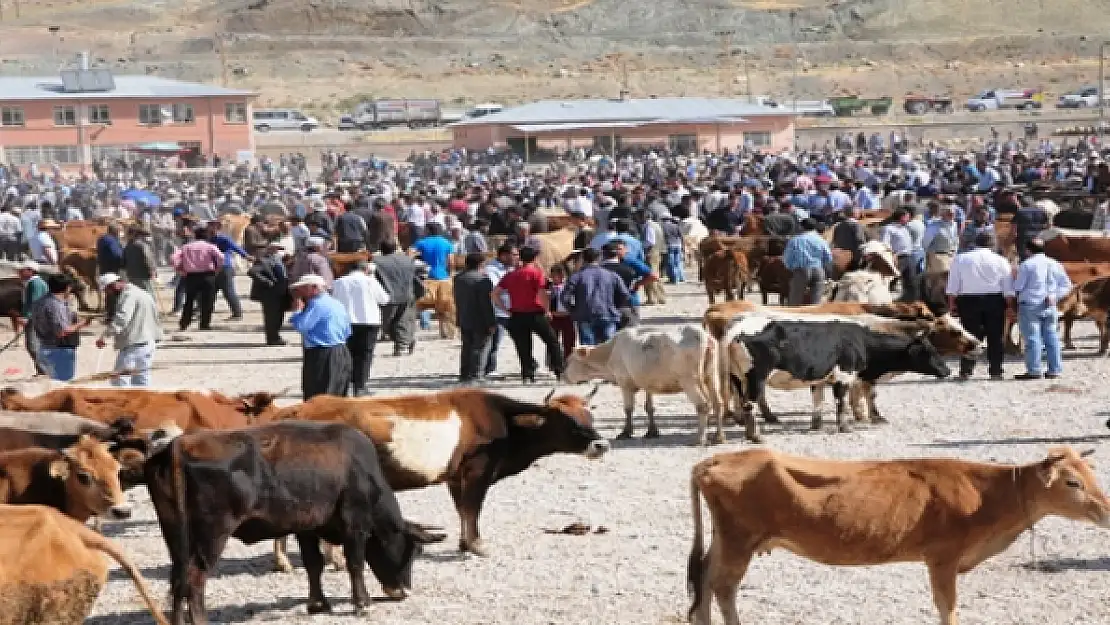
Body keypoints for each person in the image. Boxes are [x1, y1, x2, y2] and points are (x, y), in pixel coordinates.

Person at [945, 231, 1013, 381]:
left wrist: (952, 304)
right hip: (994, 300)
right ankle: (996, 370)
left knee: (970, 335)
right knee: (995, 337)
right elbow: (1008, 287)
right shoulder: (1001, 260)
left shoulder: (961, 259)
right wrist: (1009, 306)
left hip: (968, 301)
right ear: (992, 244)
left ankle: (966, 370)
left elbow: (952, 286)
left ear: (975, 243)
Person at [493, 245, 563, 383]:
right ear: (535, 258)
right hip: (535, 313)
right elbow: (542, 293)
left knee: (523, 345)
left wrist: (505, 309)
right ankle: (559, 370)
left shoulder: (511, 274)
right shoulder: (536, 273)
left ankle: (527, 374)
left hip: (517, 314)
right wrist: (547, 310)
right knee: (552, 342)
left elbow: (495, 293)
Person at [1011, 239, 1072, 380]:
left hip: (1030, 304)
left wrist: (1014, 277)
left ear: (1028, 250)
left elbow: (1018, 287)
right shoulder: (1055, 263)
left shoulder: (1026, 265)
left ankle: (1034, 370)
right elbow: (1066, 285)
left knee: (1032, 339)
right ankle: (1054, 369)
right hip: (1050, 304)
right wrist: (1055, 296)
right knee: (1052, 338)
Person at [288, 273, 352, 399]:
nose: (299, 292)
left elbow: (302, 326)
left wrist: (296, 312)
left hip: (322, 353)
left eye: (303, 288)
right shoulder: (336, 303)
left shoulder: (316, 304)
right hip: (341, 350)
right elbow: (347, 330)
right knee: (337, 393)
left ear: (314, 287)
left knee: (318, 395)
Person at [332, 260, 390, 396]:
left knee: (347, 354)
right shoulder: (370, 281)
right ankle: (360, 385)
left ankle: (345, 385)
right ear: (365, 270)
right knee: (365, 354)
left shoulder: (340, 282)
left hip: (345, 321)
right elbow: (384, 299)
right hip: (369, 321)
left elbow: (333, 300)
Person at [95, 273, 162, 387]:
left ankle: (123, 403)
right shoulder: (142, 293)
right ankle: (142, 403)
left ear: (114, 285)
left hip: (135, 343)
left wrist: (105, 336)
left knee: (119, 378)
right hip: (149, 341)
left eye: (107, 290)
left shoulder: (128, 296)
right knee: (141, 378)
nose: (108, 294)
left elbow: (122, 319)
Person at [561, 246, 630, 346]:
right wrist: (615, 306)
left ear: (583, 259)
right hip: (608, 314)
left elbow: (565, 297)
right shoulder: (611, 275)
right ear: (599, 258)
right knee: (608, 348)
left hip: (585, 316)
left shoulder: (577, 276)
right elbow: (625, 294)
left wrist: (573, 310)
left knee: (588, 350)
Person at [31, 273, 90, 381]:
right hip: (59, 351)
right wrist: (82, 324)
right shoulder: (55, 305)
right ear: (67, 288)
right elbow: (62, 331)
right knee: (62, 385)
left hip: (44, 347)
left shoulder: (40, 302)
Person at [453, 253, 497, 384]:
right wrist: (491, 321)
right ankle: (476, 375)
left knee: (466, 347)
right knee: (481, 347)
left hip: (464, 317)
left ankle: (464, 374)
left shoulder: (458, 278)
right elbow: (486, 304)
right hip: (480, 319)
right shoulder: (483, 280)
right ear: (481, 264)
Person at [172, 226, 224, 332]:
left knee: (189, 300)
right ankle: (204, 324)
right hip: (208, 275)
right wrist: (218, 268)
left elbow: (173, 257)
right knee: (208, 301)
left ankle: (184, 323)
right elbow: (221, 257)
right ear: (206, 236)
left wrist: (179, 269)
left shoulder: (186, 247)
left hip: (191, 276)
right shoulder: (210, 246)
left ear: (195, 235)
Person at [373, 239, 418, 356]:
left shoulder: (376, 262)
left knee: (386, 323)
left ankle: (402, 343)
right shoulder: (407, 260)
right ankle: (404, 343)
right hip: (407, 294)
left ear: (381, 249)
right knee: (402, 320)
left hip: (388, 296)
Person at [482, 243, 517, 378]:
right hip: (498, 311)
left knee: (520, 339)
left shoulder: (512, 268)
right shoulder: (492, 269)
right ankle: (490, 368)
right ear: (503, 255)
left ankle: (531, 365)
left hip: (512, 310)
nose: (517, 257)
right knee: (495, 342)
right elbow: (495, 289)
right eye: (514, 254)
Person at [248, 242, 292, 346]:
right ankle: (272, 338)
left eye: (280, 249)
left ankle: (276, 336)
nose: (278, 251)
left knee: (279, 316)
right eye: (276, 249)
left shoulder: (280, 260)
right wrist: (267, 281)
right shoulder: (263, 260)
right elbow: (252, 272)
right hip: (270, 293)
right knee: (272, 317)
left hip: (281, 291)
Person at [783, 218, 833, 306]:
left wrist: (790, 268)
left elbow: (787, 257)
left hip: (802, 270)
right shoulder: (821, 240)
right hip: (818, 270)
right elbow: (828, 257)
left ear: (801, 227)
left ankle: (793, 318)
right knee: (816, 302)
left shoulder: (795, 240)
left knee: (795, 300)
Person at [208, 221, 250, 320]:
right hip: (213, 269)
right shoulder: (209, 240)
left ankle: (237, 314)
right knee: (210, 292)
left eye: (212, 226)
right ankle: (205, 312)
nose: (209, 228)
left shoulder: (223, 238)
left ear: (217, 228)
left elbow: (235, 247)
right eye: (209, 226)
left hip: (224, 268)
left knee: (228, 292)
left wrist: (246, 256)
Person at [15, 260, 48, 376]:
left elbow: (35, 302)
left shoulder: (35, 284)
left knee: (32, 345)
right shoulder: (33, 283)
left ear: (30, 271)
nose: (19, 272)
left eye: (22, 270)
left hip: (35, 318)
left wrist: (27, 317)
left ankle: (44, 371)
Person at [881, 208, 918, 302]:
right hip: (897, 258)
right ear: (901, 217)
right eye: (907, 217)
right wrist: (892, 254)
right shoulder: (889, 228)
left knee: (911, 281)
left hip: (909, 257)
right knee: (891, 280)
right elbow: (885, 243)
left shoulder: (905, 228)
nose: (908, 219)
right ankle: (884, 300)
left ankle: (909, 301)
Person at [547, 264, 576, 360]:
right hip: (553, 316)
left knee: (569, 341)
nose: (557, 278)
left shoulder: (569, 286)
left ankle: (568, 359)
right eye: (554, 275)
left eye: (560, 275)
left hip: (567, 316)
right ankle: (554, 361)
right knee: (552, 340)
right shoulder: (549, 287)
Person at [122, 225, 158, 298]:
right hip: (143, 276)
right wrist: (152, 271)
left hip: (131, 275)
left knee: (136, 295)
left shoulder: (127, 247)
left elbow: (123, 262)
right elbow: (148, 259)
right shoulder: (142, 246)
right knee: (149, 295)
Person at [922, 205, 958, 273]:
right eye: (949, 213)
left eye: (953, 214)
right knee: (942, 279)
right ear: (942, 214)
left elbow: (955, 239)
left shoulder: (954, 225)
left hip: (951, 256)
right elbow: (925, 243)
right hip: (938, 256)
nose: (952, 215)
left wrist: (954, 252)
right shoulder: (934, 226)